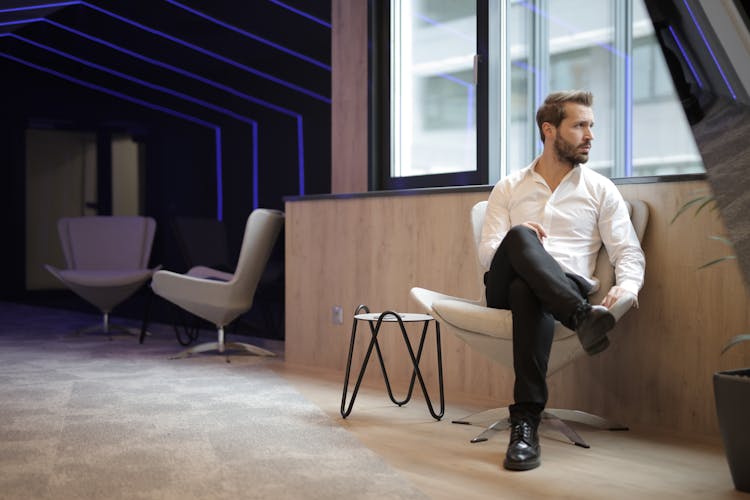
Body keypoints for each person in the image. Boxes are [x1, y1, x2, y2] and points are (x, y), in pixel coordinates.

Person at [478, 90, 645, 471]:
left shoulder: (601, 190)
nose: (590, 135)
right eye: (580, 126)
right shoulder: (509, 186)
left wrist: (628, 286)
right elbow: (488, 251)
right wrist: (518, 239)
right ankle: (583, 318)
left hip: (563, 286)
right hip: (502, 287)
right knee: (519, 238)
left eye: (591, 126)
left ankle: (525, 425)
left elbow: (627, 251)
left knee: (529, 290)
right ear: (549, 130)